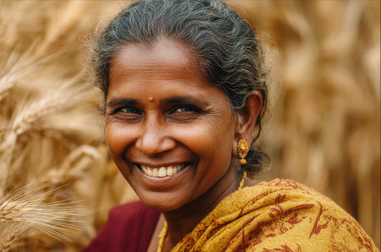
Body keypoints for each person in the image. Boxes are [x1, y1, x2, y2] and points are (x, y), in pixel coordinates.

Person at [84, 0, 378, 251]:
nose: (150, 142)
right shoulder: (127, 231)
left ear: (244, 117)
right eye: (127, 111)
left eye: (183, 110)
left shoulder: (299, 237)